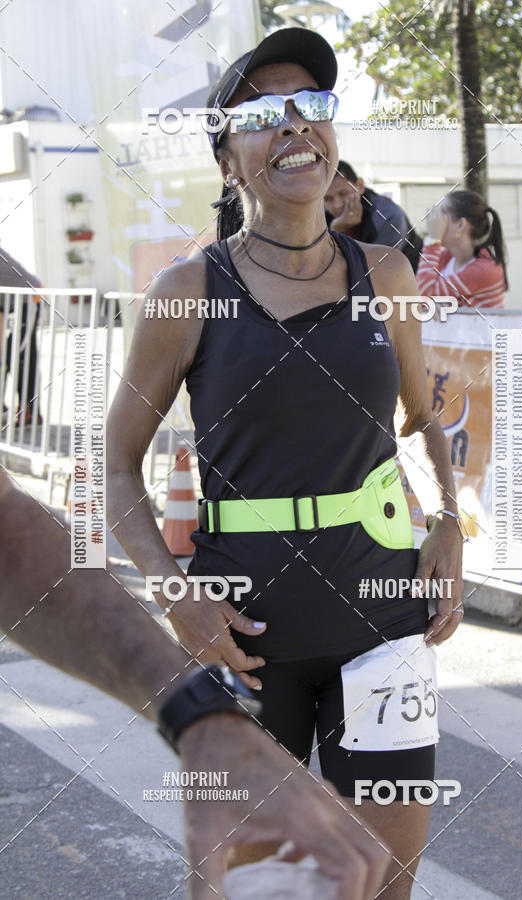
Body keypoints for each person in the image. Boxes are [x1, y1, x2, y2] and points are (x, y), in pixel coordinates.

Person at [107, 27, 464, 899]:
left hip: (382, 628)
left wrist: (450, 519)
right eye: (264, 114)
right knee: (261, 888)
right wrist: (172, 588)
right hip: (244, 640)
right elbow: (114, 466)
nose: (294, 126)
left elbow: (422, 419)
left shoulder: (387, 272)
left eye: (312, 105)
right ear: (229, 158)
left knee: (383, 884)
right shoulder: (187, 291)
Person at [0, 466, 389, 900]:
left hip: (376, 607)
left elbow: (7, 538)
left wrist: (203, 715)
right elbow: (115, 464)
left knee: (367, 869)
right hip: (257, 619)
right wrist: (174, 591)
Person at [324, 160, 423, 272]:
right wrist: (336, 230)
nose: (337, 205)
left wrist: (334, 234)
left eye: (343, 193)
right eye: (328, 199)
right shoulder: (321, 214)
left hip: (409, 279)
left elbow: (374, 271)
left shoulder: (388, 217)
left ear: (360, 186)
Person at [416, 189, 507, 309]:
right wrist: (431, 304)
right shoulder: (446, 256)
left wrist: (433, 240)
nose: (434, 220)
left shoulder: (485, 269)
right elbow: (418, 299)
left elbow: (422, 293)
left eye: (441, 213)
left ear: (460, 225)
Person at [0, 245, 43, 427]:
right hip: (8, 304)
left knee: (16, 356)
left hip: (28, 301)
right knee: (5, 356)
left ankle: (30, 411)